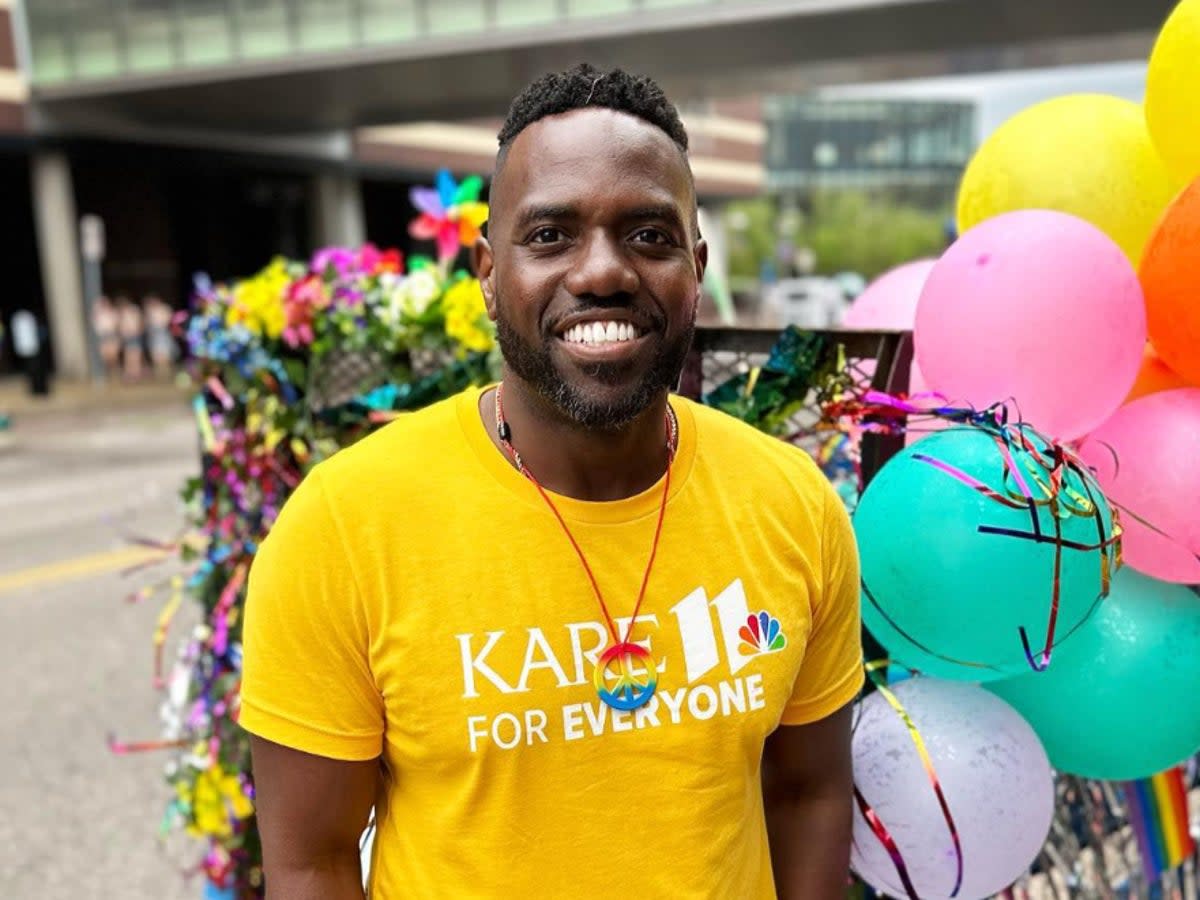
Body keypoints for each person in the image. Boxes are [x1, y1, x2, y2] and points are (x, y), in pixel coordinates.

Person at [241, 64, 863, 900]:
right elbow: (310, 861)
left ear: (696, 266)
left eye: (649, 235)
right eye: (550, 236)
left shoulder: (794, 504)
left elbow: (808, 793)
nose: (602, 272)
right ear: (489, 272)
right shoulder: (345, 525)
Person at [143, 293, 176, 378]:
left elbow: (168, 320)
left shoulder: (165, 308)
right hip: (153, 335)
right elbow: (146, 322)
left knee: (165, 357)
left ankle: (166, 375)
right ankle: (160, 376)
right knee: (156, 357)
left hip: (163, 334)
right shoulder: (149, 310)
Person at [115, 295, 145, 380]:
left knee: (135, 354)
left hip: (135, 335)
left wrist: (137, 331)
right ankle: (130, 374)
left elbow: (140, 322)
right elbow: (119, 324)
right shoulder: (121, 312)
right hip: (126, 336)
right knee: (128, 355)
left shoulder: (134, 310)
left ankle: (136, 373)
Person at [91, 294, 120, 379]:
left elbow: (116, 324)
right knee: (105, 356)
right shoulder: (97, 314)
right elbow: (95, 324)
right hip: (103, 336)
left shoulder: (113, 313)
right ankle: (109, 373)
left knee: (113, 356)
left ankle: (115, 372)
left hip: (111, 335)